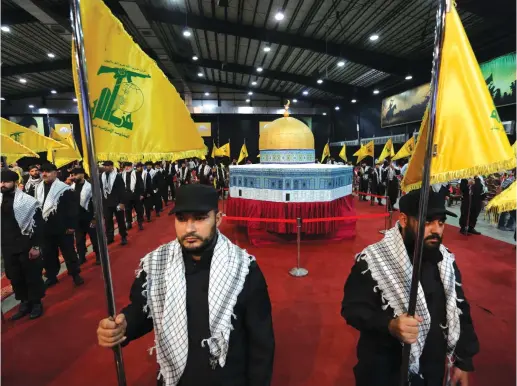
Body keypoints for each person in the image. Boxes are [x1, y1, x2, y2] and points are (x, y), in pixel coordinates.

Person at [97, 184, 275, 386]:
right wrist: (124, 325)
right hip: (174, 378)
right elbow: (143, 309)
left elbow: (261, 344)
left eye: (200, 218)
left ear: (217, 219)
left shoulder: (243, 270)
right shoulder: (157, 263)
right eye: (181, 219)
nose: (189, 228)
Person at [341, 189, 479, 386]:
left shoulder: (446, 261)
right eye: (428, 221)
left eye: (441, 222)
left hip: (432, 370)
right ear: (404, 220)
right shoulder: (372, 261)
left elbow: (460, 310)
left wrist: (463, 362)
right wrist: (389, 325)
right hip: (385, 370)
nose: (436, 230)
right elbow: (352, 308)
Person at [1, 169, 45, 320]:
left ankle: (37, 303)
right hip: (7, 246)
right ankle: (24, 303)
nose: (2, 185)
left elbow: (38, 224)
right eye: (0, 182)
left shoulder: (27, 201)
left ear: (14, 183)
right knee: (15, 277)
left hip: (26, 244)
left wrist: (36, 246)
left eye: (5, 182)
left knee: (31, 275)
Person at [34, 163, 84, 287]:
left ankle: (75, 274)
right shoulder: (38, 188)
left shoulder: (64, 188)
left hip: (63, 228)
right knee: (48, 254)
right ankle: (51, 276)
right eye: (43, 171)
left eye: (48, 171)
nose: (44, 174)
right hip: (45, 228)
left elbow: (72, 209)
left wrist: (71, 226)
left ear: (55, 173)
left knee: (69, 253)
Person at [70, 167, 100, 265]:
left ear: (82, 174)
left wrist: (95, 218)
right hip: (78, 218)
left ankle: (99, 256)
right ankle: (82, 257)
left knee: (94, 239)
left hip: (90, 217)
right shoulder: (71, 187)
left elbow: (96, 203)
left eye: (76, 174)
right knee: (79, 240)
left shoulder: (90, 186)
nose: (74, 177)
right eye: (73, 175)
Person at [100, 160, 128, 245]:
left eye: (107, 165)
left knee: (120, 220)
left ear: (112, 166)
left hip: (117, 202)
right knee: (108, 221)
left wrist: (122, 202)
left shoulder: (118, 176)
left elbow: (122, 190)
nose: (105, 167)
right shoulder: (101, 176)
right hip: (106, 202)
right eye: (104, 166)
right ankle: (110, 237)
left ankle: (123, 236)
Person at [122, 162, 144, 231]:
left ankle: (140, 223)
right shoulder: (123, 174)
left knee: (138, 210)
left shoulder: (136, 173)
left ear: (131, 167)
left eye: (128, 166)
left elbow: (141, 184)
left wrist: (142, 194)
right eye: (125, 166)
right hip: (126, 196)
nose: (126, 167)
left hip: (136, 195)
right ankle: (129, 223)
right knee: (127, 210)